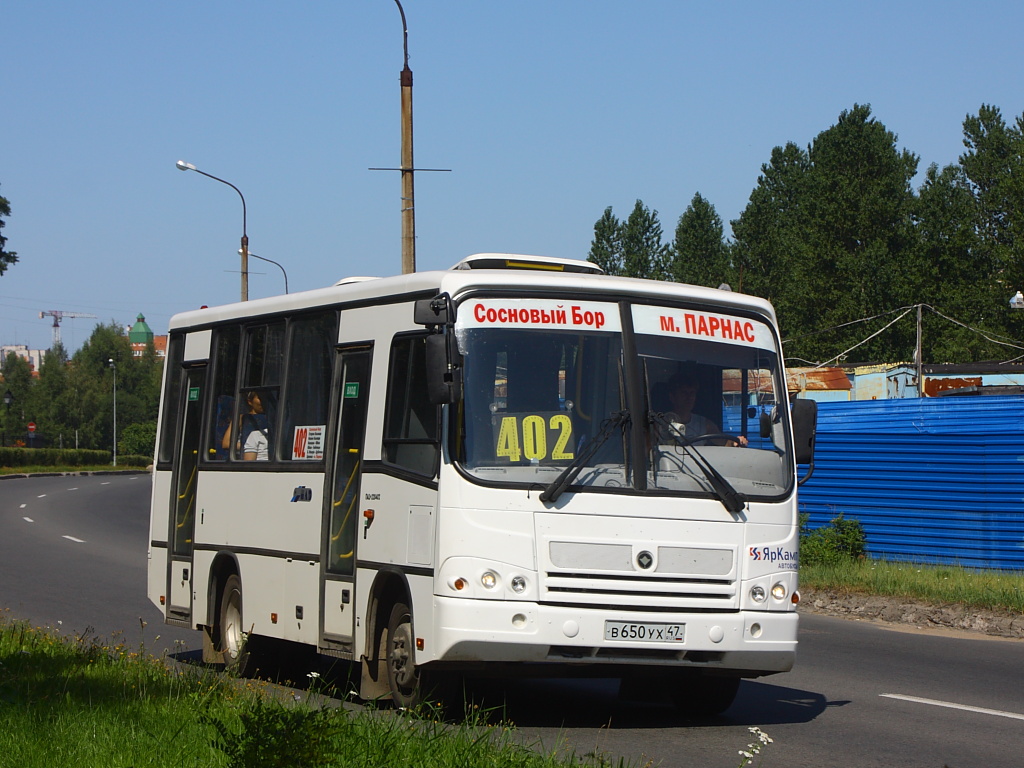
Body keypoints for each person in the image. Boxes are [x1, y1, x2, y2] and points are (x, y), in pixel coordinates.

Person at [662, 371, 747, 447]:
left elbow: (724, 443)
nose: (689, 397)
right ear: (672, 397)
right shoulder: (660, 424)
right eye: (684, 393)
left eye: (692, 393)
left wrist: (735, 442)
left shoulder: (704, 424)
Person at [222, 390, 270, 460]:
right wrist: (250, 445)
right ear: (250, 401)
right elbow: (226, 443)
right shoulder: (241, 419)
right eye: (260, 398)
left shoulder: (272, 420)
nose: (263, 402)